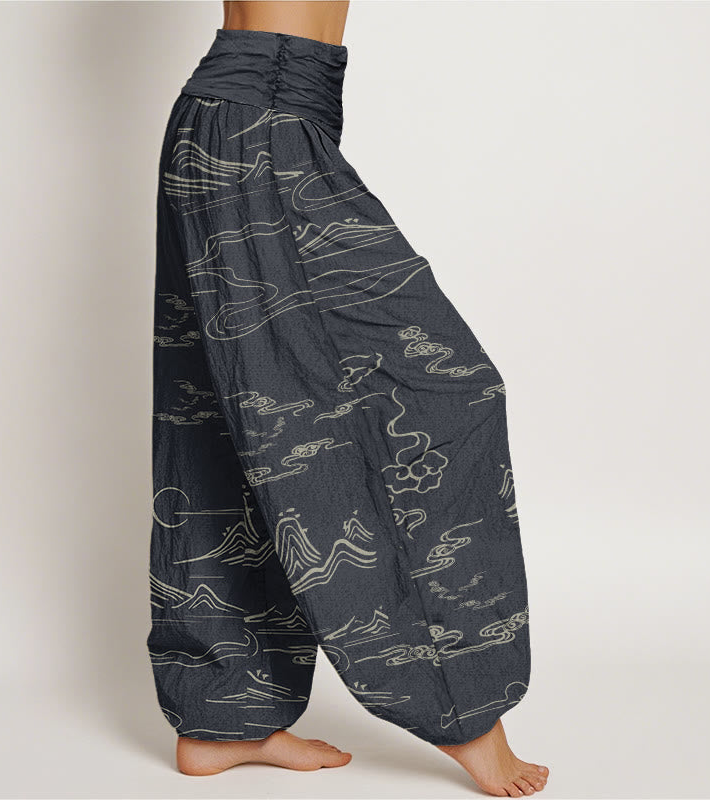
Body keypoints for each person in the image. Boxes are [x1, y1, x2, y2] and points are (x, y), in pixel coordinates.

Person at [147, 2, 550, 796]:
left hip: (255, 116)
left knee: (227, 424)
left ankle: (224, 714)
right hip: (261, 120)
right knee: (443, 396)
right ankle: (464, 708)